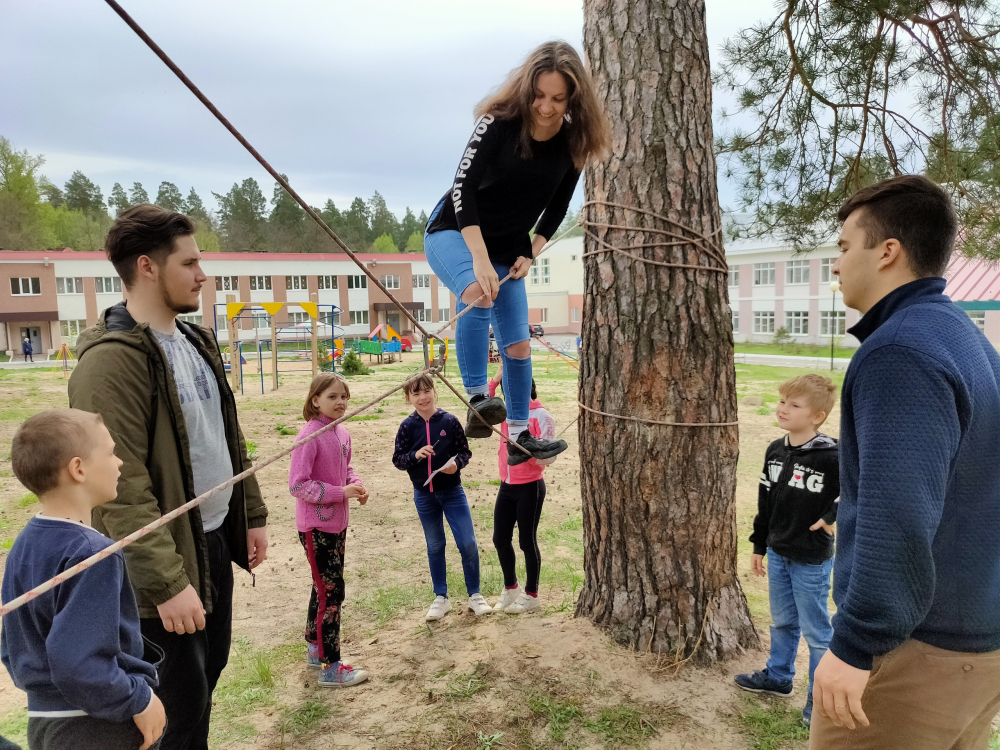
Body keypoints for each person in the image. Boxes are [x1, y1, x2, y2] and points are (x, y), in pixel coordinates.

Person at [68, 204, 268, 750]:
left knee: (203, 686)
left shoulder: (197, 341)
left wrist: (249, 513)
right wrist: (167, 584)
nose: (203, 275)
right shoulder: (110, 363)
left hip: (210, 543)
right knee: (171, 712)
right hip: (163, 565)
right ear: (147, 267)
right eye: (190, 263)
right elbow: (119, 491)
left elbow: (227, 434)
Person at [810, 175, 1000, 749]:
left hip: (914, 655)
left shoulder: (899, 350)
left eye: (845, 246)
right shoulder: (966, 339)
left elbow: (897, 514)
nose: (836, 264)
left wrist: (856, 645)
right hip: (975, 645)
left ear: (887, 251)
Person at [424, 40, 609, 463]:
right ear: (527, 89)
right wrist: (479, 257)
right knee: (478, 292)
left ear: (573, 99)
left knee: (519, 345)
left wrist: (534, 250)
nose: (546, 107)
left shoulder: (574, 143)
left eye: (558, 99)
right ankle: (478, 400)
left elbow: (557, 207)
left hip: (510, 247)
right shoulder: (497, 123)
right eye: (539, 95)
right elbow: (462, 188)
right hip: (455, 231)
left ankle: (522, 436)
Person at [1, 409, 165, 750]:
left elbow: (11, 645)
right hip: (95, 728)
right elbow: (77, 662)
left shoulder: (24, 543)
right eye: (111, 453)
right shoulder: (93, 553)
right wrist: (138, 699)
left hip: (45, 723)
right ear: (78, 469)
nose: (119, 462)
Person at [735, 375, 840, 727]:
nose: (783, 409)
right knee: (782, 621)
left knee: (817, 634)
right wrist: (759, 544)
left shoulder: (834, 455)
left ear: (817, 416)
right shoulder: (775, 450)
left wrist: (832, 515)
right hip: (778, 553)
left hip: (811, 559)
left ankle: (818, 703)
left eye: (794, 405)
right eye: (782, 401)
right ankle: (779, 677)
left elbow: (860, 487)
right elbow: (765, 501)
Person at [289, 373, 370, 688]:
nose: (340, 402)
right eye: (332, 396)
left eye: (344, 396)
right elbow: (298, 485)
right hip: (316, 528)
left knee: (322, 587)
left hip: (337, 525)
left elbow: (346, 467)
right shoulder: (309, 436)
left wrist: (355, 484)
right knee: (331, 592)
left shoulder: (341, 431)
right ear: (315, 400)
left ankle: (315, 648)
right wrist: (340, 493)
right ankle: (330, 667)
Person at [392, 373, 492, 620]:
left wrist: (456, 465)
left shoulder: (450, 421)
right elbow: (398, 460)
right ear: (408, 398)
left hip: (452, 492)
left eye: (426, 391)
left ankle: (475, 595)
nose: (422, 397)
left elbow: (464, 452)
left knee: (467, 543)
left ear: (434, 391)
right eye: (416, 393)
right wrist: (415, 455)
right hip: (423, 495)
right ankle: (441, 598)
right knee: (435, 545)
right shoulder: (407, 426)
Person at [488, 362, 557, 613]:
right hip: (507, 486)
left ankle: (532, 594)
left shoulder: (541, 415)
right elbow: (482, 409)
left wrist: (527, 455)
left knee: (527, 541)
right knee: (500, 539)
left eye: (515, 386)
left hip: (530, 487)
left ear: (528, 385)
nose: (510, 392)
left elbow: (549, 456)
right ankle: (511, 588)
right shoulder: (505, 413)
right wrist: (495, 380)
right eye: (507, 388)